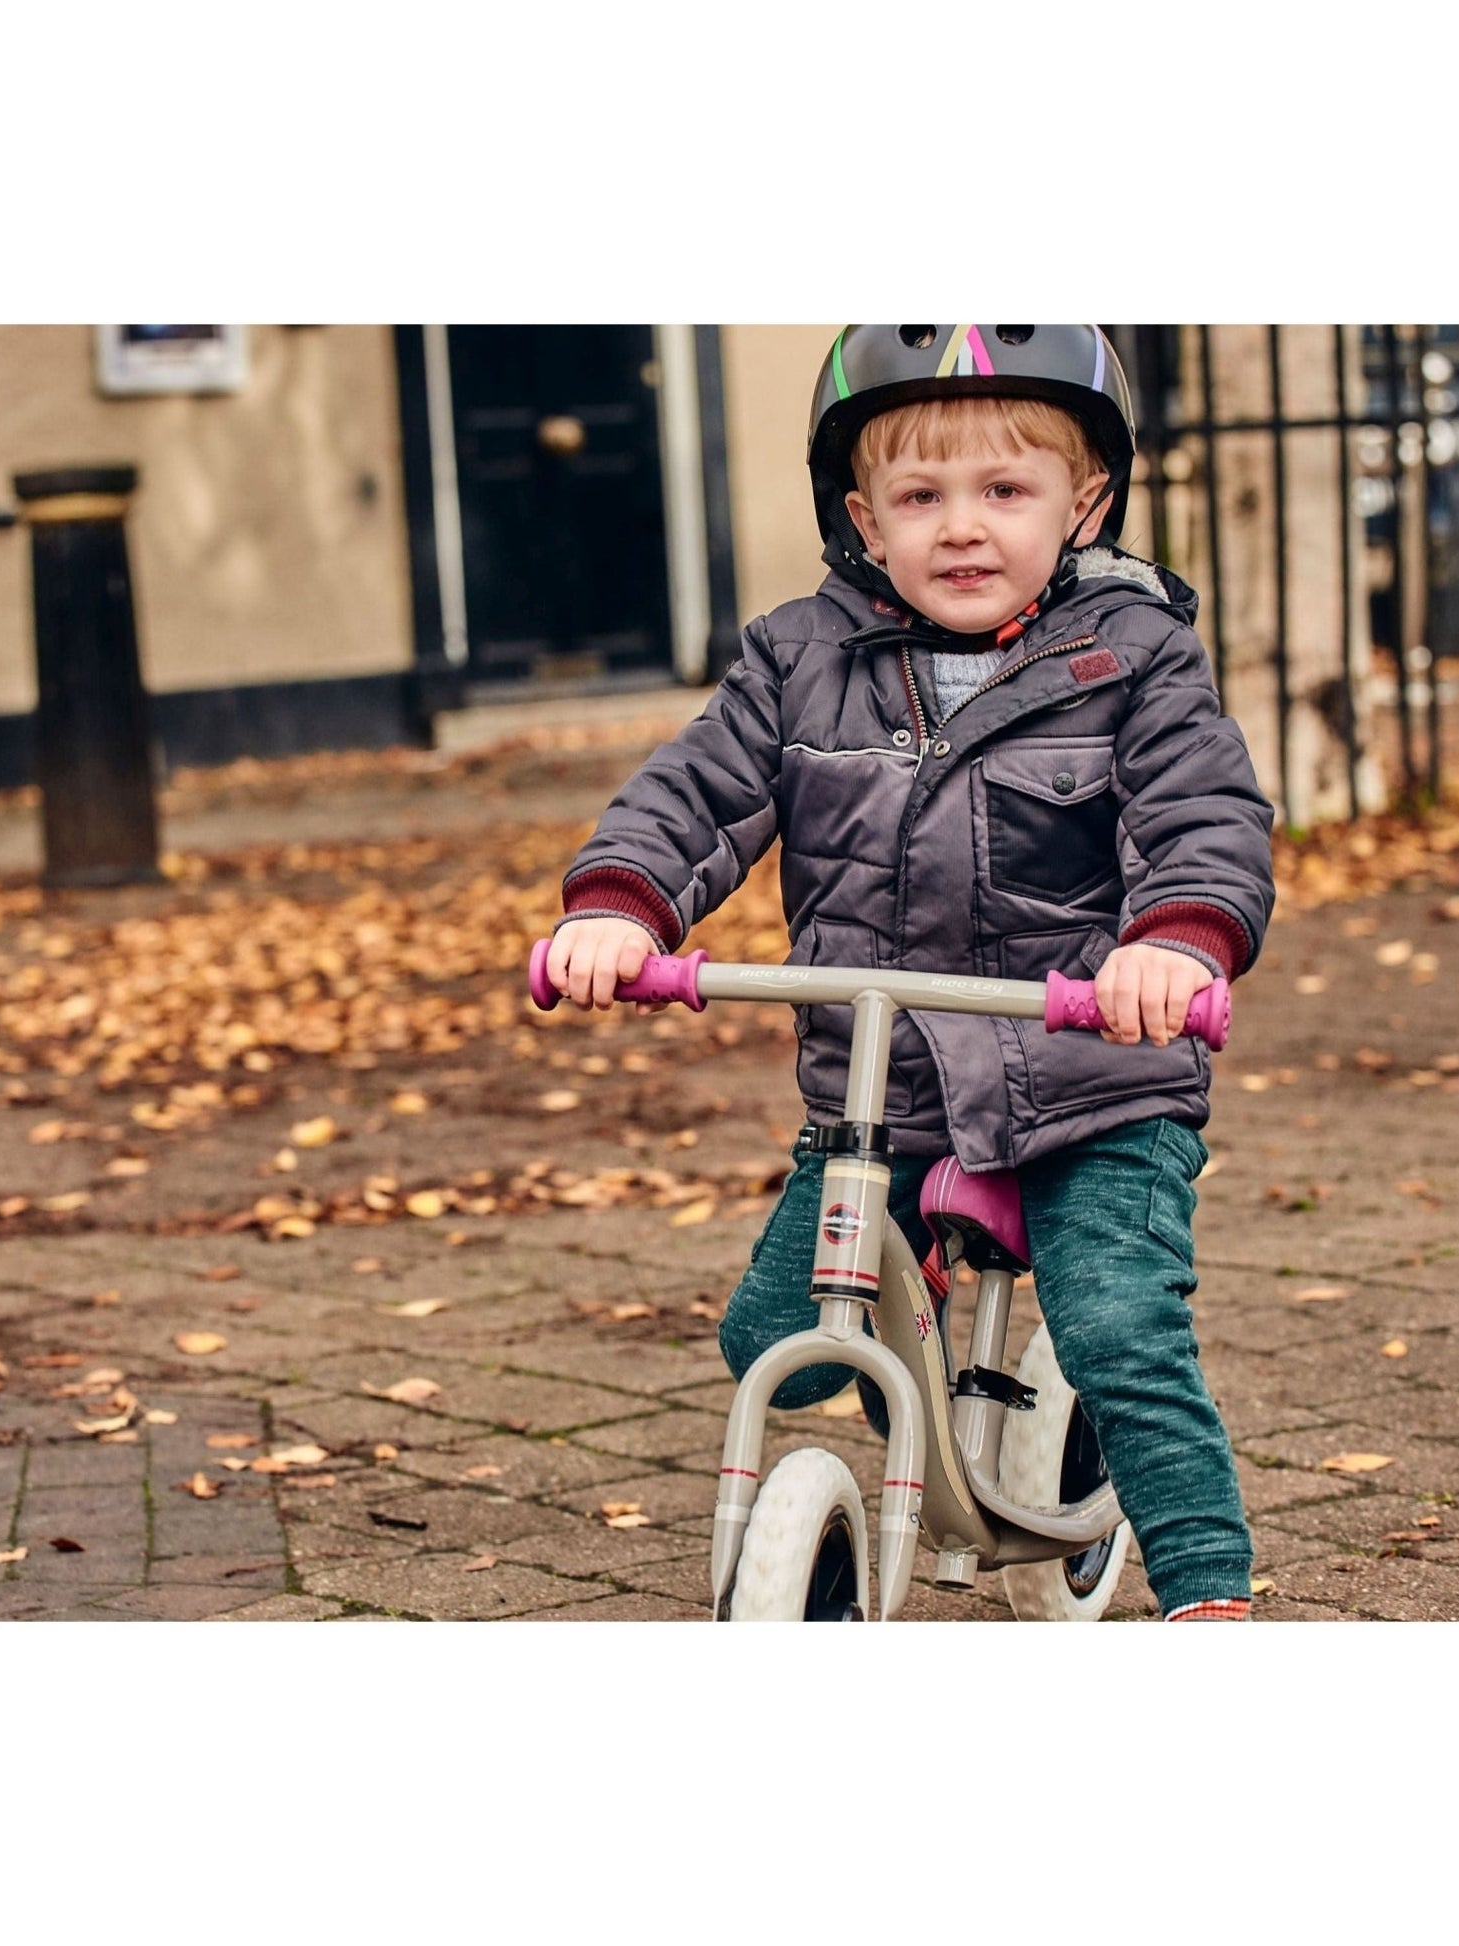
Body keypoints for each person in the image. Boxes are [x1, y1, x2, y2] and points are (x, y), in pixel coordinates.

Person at [544, 325, 1275, 1621]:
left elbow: (1197, 811)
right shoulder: (794, 658)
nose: (961, 529)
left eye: (1005, 492)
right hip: (883, 1089)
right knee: (763, 1341)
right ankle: (911, 1362)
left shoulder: (1134, 656)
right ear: (861, 519)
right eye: (919, 496)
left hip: (1088, 1070)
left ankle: (1206, 1588)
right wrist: (620, 907)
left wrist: (1174, 938)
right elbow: (695, 793)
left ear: (1083, 501)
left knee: (1116, 1327)